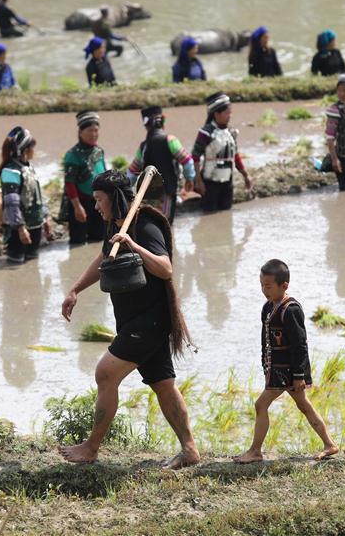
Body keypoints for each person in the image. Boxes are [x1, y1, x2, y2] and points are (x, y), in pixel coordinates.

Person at [59, 170, 200, 469]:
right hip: (133, 319)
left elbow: (165, 268)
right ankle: (190, 450)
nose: (96, 206)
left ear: (115, 198)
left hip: (149, 321)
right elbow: (103, 259)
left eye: (99, 200)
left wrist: (134, 245)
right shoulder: (117, 224)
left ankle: (92, 447)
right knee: (163, 385)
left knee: (105, 374)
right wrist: (74, 290)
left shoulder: (145, 225)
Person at [234, 260, 339, 463]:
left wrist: (299, 375)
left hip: (289, 370)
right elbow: (265, 341)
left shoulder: (291, 309)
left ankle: (255, 451)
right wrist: (266, 366)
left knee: (260, 404)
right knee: (304, 405)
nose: (264, 290)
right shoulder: (267, 307)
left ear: (284, 285)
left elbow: (300, 344)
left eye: (269, 286)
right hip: (277, 369)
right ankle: (330, 444)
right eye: (262, 285)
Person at [127, 106, 195, 224]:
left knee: (153, 226)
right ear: (163, 121)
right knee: (166, 226)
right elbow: (187, 161)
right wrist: (189, 179)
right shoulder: (170, 140)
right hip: (167, 193)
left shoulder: (143, 146)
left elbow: (132, 173)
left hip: (148, 196)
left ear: (146, 125)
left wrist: (126, 193)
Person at [0, 126, 52, 264]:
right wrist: (21, 228)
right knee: (15, 265)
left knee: (32, 266)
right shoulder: (10, 171)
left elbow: (38, 196)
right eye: (32, 147)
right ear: (25, 150)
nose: (34, 150)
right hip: (19, 229)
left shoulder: (28, 167)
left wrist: (45, 218)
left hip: (35, 224)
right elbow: (12, 203)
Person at [192, 92, 252, 212]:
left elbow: (235, 156)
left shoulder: (231, 132)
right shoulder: (206, 133)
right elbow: (195, 157)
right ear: (216, 114)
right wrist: (198, 181)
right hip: (210, 183)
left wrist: (246, 175)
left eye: (230, 113)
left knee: (225, 215)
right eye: (226, 113)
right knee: (209, 215)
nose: (229, 116)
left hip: (227, 182)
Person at [59, 110, 108, 245]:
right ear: (81, 132)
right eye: (90, 131)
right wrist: (77, 207)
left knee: (98, 240)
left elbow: (103, 173)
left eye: (96, 130)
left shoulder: (99, 151)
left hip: (98, 203)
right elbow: (69, 183)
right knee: (77, 242)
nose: (94, 134)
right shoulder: (73, 155)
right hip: (80, 203)